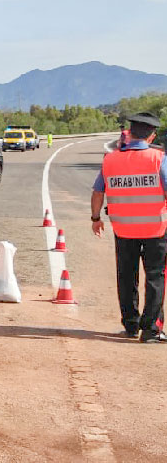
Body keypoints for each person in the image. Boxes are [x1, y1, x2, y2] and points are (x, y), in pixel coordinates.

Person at [91, 112, 167, 343]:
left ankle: (131, 325)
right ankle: (151, 329)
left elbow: (97, 192)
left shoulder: (110, 160)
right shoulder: (158, 159)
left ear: (129, 133)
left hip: (123, 229)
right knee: (155, 277)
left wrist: (95, 218)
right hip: (156, 229)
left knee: (126, 276)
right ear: (152, 136)